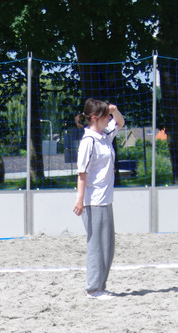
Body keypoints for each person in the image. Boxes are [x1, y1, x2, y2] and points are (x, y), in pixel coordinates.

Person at [72, 98, 125, 299]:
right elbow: (82, 173)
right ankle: (93, 288)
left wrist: (114, 109)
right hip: (93, 201)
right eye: (105, 116)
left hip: (105, 199)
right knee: (97, 246)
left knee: (107, 246)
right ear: (95, 117)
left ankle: (100, 286)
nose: (109, 118)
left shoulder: (104, 136)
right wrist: (80, 200)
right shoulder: (89, 141)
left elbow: (120, 122)